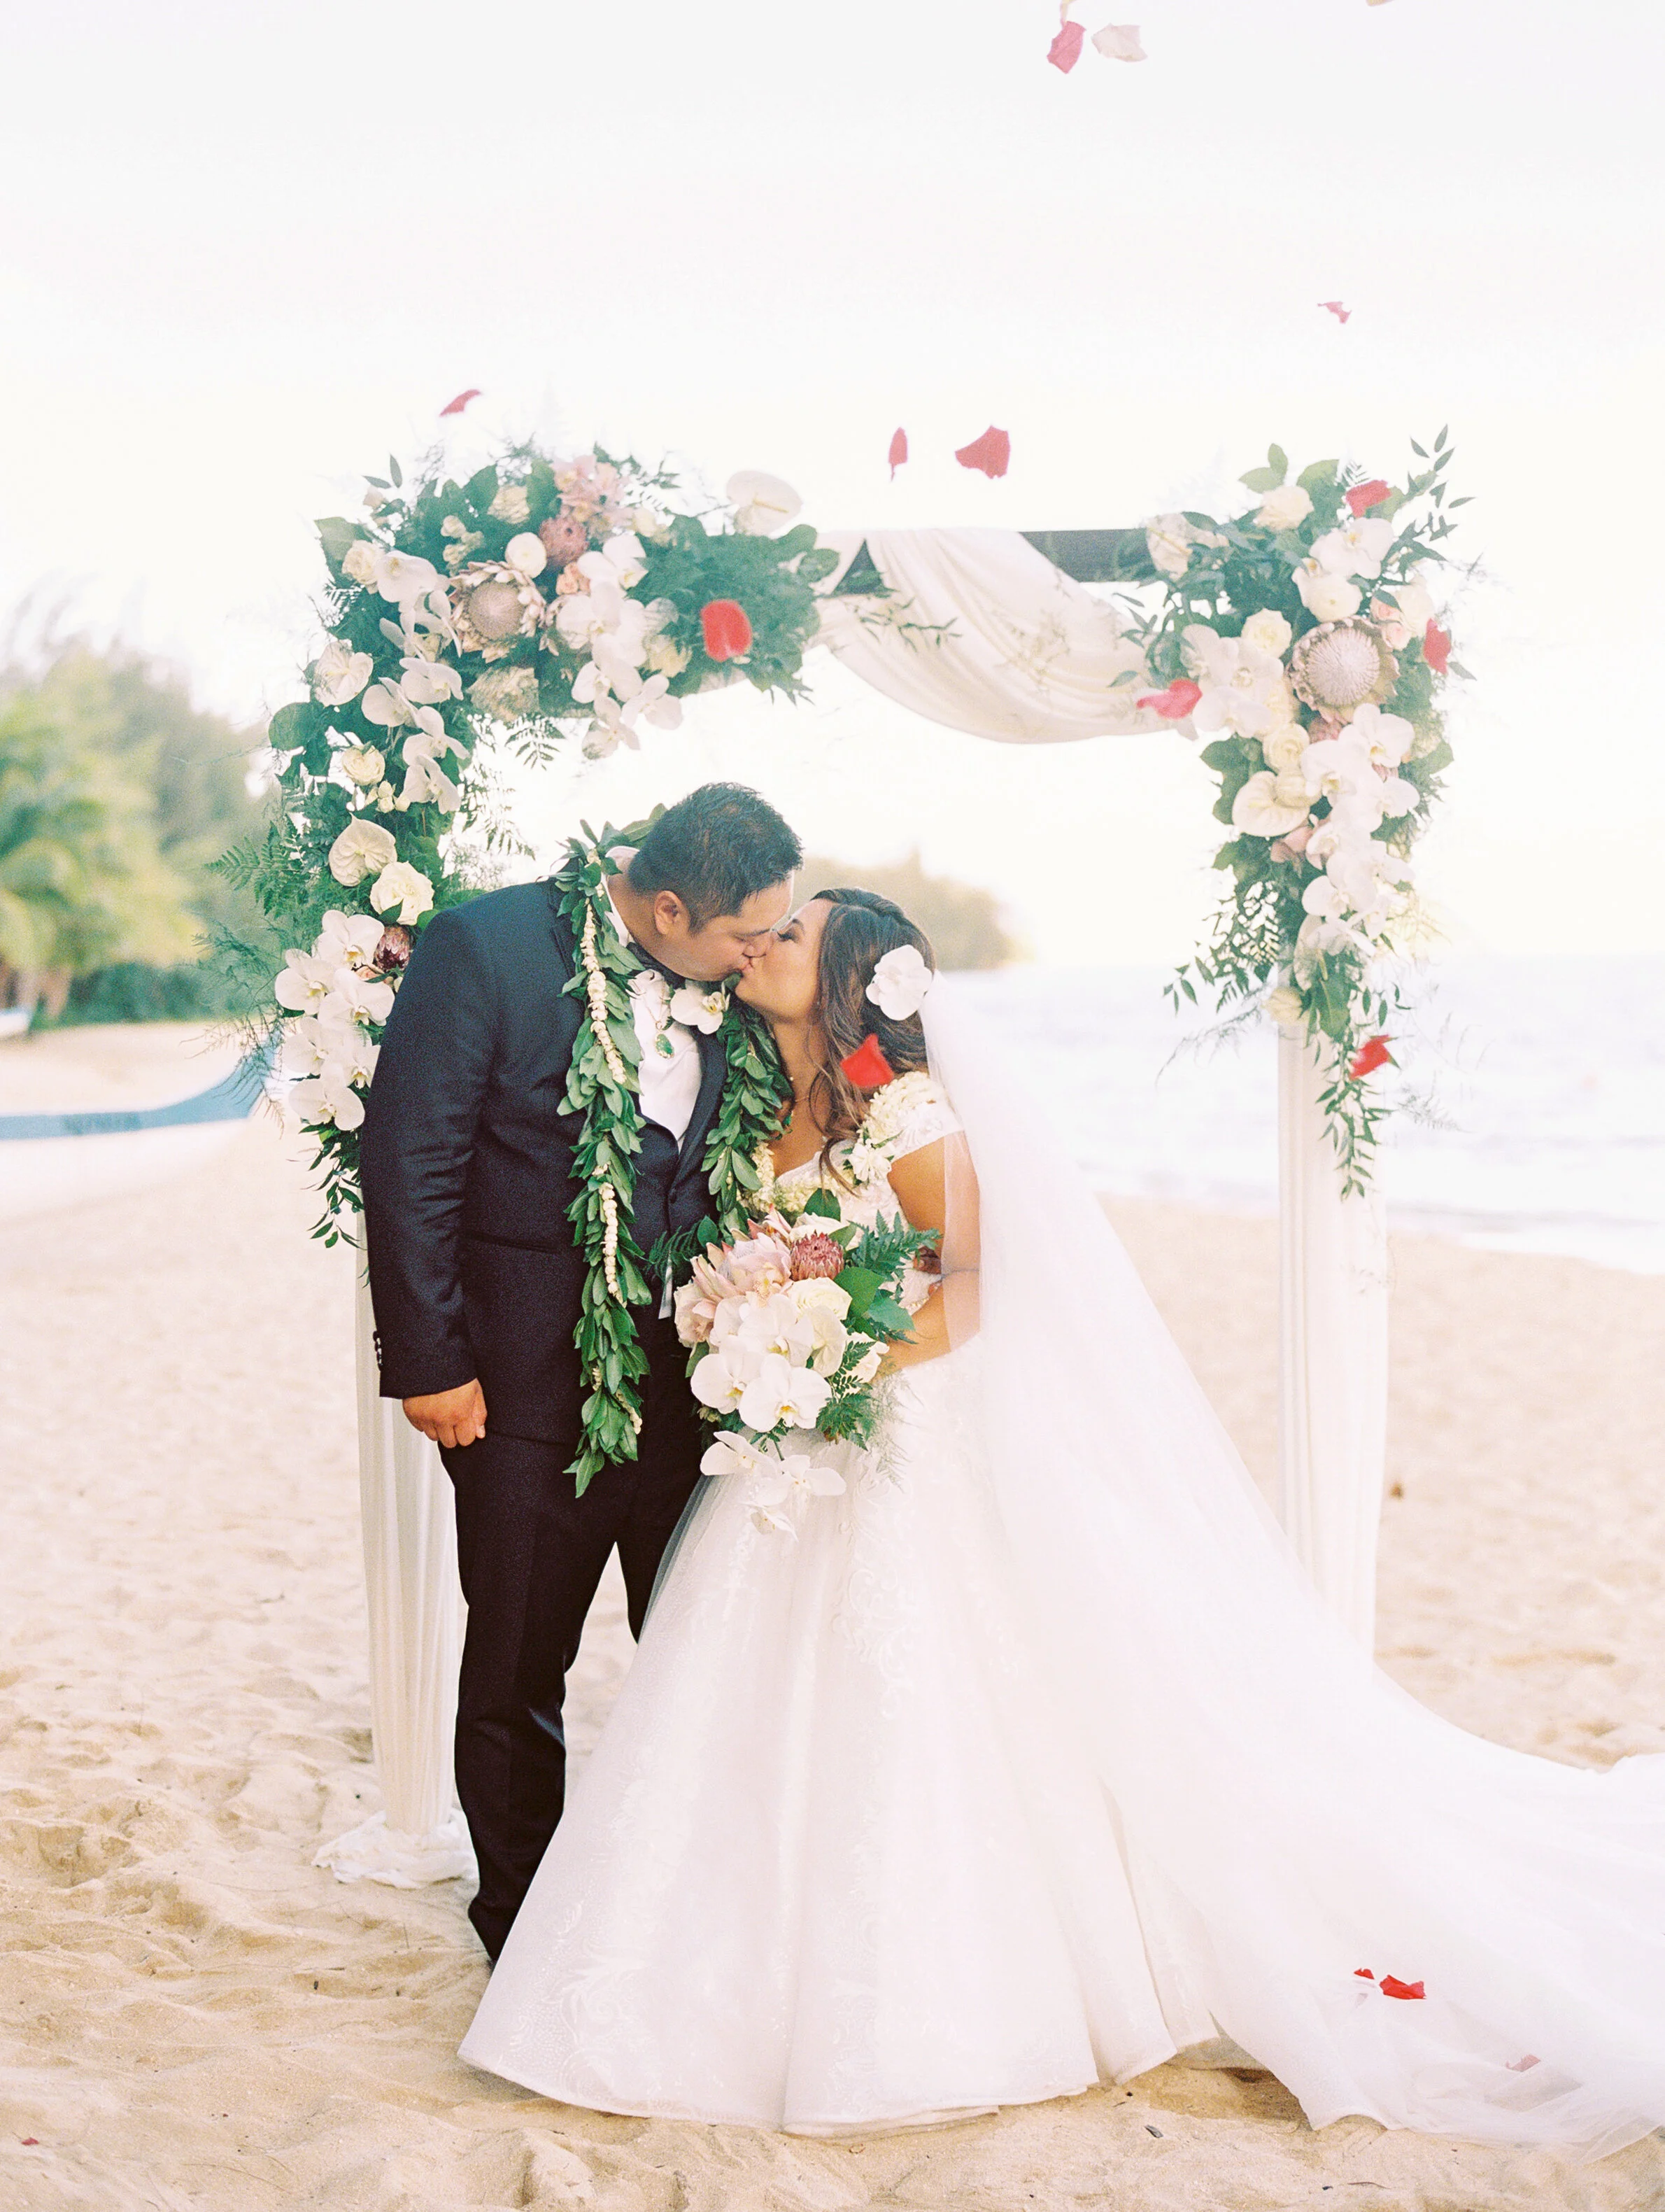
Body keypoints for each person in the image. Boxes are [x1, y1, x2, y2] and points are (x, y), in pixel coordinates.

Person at [459, 886, 1665, 2157]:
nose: (763, 944)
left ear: (856, 970)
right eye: (762, 929)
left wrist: (833, 1362)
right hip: (787, 1443)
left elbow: (967, 1287)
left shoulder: (911, 1109)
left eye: (796, 934)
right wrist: (754, 1333)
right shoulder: (752, 1094)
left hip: (893, 1427)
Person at [358, 782, 801, 1962]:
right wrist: (430, 1361)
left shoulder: (732, 990)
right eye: (744, 934)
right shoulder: (483, 949)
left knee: (701, 1656)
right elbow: (410, 1158)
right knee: (516, 1665)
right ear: (664, 908)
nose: (760, 954)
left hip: (699, 1395)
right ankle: (520, 1932)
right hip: (515, 1389)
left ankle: (681, 1914)